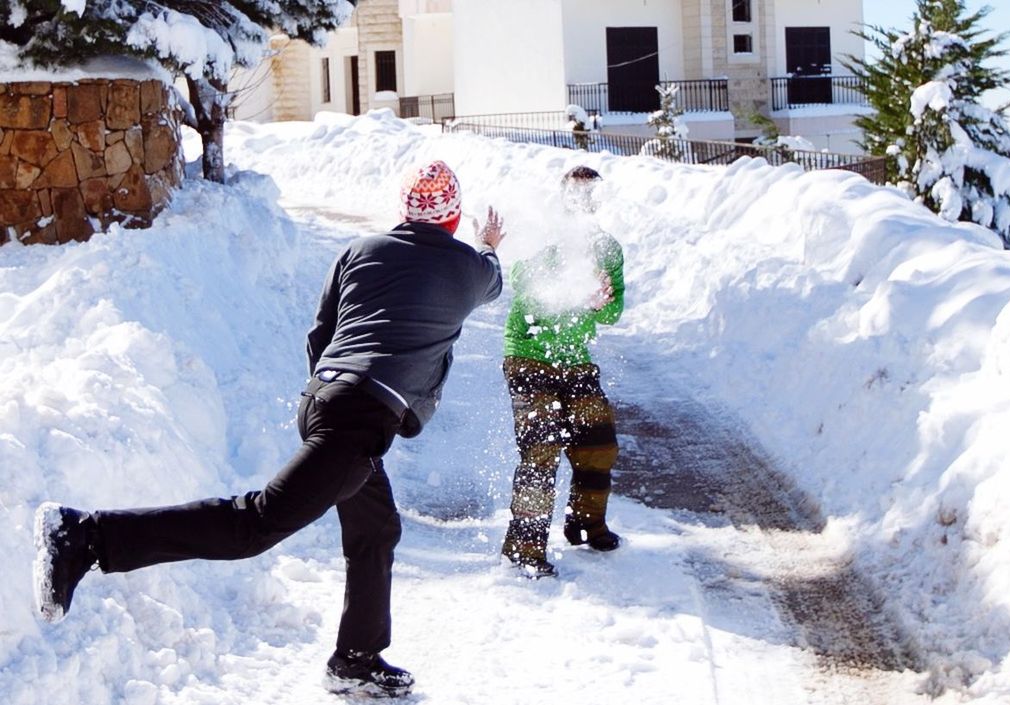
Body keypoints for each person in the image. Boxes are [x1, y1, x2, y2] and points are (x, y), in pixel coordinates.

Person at [32, 160, 505, 698]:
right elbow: (494, 278)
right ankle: (84, 536)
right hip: (359, 419)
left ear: (403, 210)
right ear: (453, 217)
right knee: (253, 526)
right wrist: (487, 243)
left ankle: (356, 659)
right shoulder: (467, 268)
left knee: (375, 528)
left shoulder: (359, 251)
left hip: (325, 399)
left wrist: (332, 394)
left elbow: (321, 332)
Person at [499, 165, 625, 578]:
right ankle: (524, 548)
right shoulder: (539, 237)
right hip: (529, 355)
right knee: (542, 450)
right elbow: (529, 291)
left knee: (598, 444)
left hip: (575, 360)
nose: (583, 204)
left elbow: (614, 310)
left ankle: (586, 524)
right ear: (562, 198)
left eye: (590, 197)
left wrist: (601, 303)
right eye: (576, 195)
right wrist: (575, 294)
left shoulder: (607, 249)